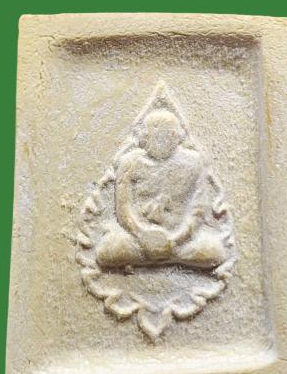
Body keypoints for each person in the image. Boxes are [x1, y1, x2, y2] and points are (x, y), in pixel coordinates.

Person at [96, 109, 227, 269]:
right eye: (154, 136)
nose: (160, 141)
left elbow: (198, 212)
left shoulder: (194, 163)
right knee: (106, 250)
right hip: (138, 239)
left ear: (176, 136)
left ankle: (161, 256)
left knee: (215, 251)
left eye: (165, 136)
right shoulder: (130, 162)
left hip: (180, 240)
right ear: (144, 136)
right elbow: (124, 210)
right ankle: (166, 257)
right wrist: (142, 235)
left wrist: (175, 240)